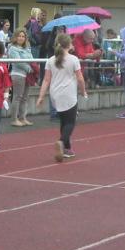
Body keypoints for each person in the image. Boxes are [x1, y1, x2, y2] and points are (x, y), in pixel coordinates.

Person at [36, 33, 87, 162]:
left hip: (55, 94)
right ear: (69, 44)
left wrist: (41, 96)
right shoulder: (73, 59)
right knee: (70, 122)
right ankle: (61, 142)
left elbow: (46, 80)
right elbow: (80, 78)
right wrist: (83, 91)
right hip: (69, 94)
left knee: (63, 121)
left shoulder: (50, 60)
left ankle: (67, 148)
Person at [7, 29, 33, 127]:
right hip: (18, 74)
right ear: (15, 37)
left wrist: (30, 68)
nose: (21, 38)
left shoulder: (27, 48)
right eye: (19, 36)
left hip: (27, 75)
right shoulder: (12, 48)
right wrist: (29, 69)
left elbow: (31, 59)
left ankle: (22, 117)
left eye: (23, 36)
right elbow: (18, 61)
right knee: (17, 97)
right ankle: (14, 119)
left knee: (25, 97)